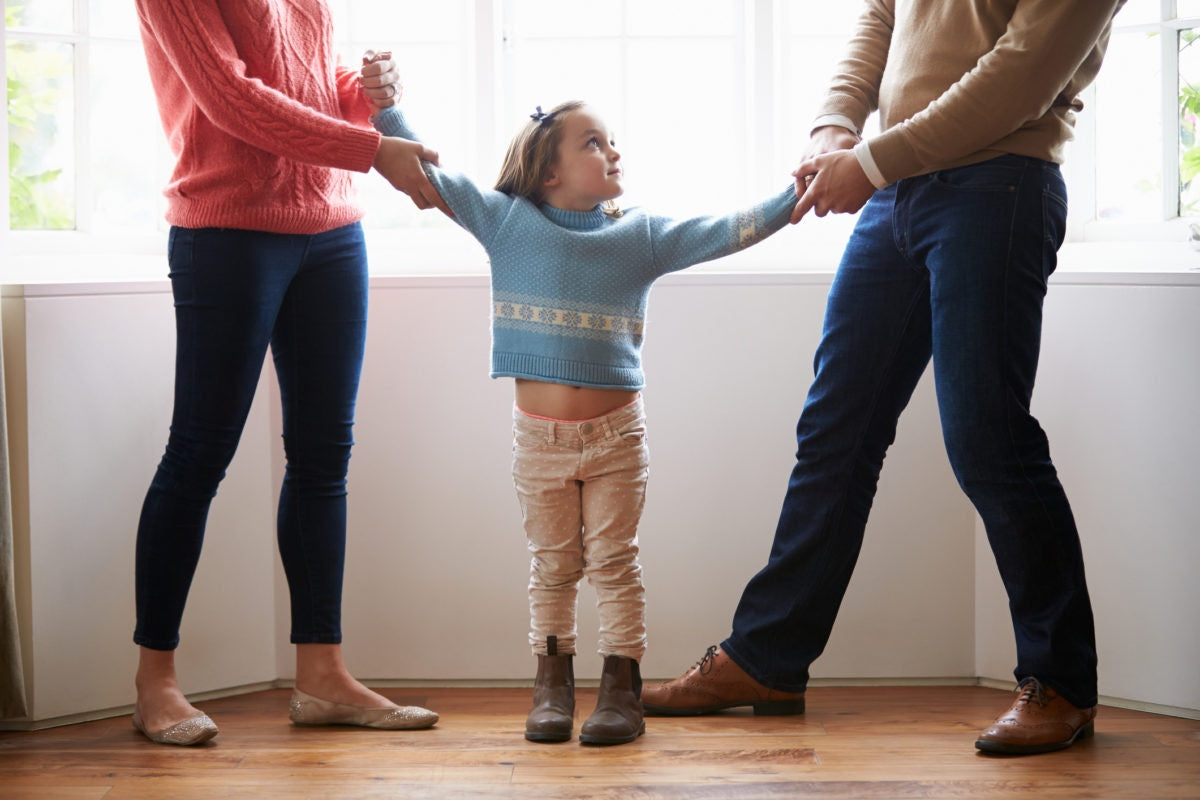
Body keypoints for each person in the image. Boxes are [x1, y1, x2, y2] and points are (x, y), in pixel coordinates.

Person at [641, 0, 1124, 756]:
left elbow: (1021, 75)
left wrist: (868, 163)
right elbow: (880, 18)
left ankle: (1061, 682)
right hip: (899, 193)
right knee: (836, 431)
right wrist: (835, 128)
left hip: (996, 187)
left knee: (988, 438)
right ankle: (767, 658)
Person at [360, 70, 797, 744]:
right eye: (593, 142)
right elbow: (428, 177)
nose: (613, 151)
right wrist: (387, 106)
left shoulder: (640, 235)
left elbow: (729, 230)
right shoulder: (507, 221)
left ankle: (620, 687)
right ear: (548, 173)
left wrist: (801, 194)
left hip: (618, 436)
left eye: (612, 140)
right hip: (540, 441)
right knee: (554, 564)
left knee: (616, 561)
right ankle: (553, 684)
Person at [130, 1, 450, 746]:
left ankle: (322, 676)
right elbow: (232, 97)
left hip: (332, 233)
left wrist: (368, 92)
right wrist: (372, 149)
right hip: (228, 232)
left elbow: (308, 82)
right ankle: (155, 683)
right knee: (199, 454)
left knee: (322, 459)